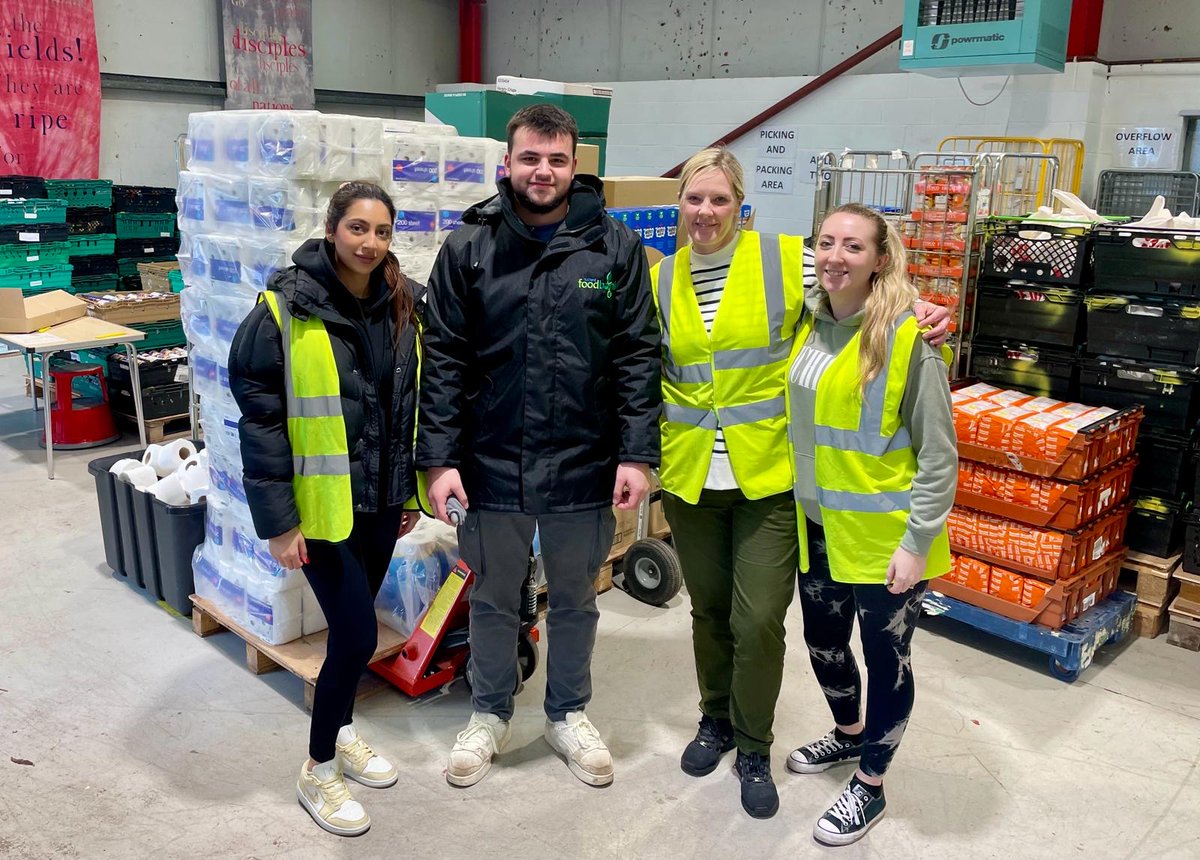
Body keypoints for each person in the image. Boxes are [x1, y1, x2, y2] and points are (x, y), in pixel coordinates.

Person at [649, 149, 950, 820]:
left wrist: (927, 309)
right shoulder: (660, 277)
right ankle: (715, 720)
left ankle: (754, 744)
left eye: (719, 199)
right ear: (680, 204)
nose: (705, 211)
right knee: (707, 614)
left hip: (770, 476)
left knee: (757, 620)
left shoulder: (792, 259)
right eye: (694, 199)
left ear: (740, 204)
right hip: (693, 474)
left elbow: (866, 287)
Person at [417, 104, 661, 789]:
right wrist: (438, 460)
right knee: (494, 595)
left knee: (578, 596)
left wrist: (637, 455)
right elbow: (444, 359)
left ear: (575, 166)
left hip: (583, 461)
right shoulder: (469, 247)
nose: (543, 171)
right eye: (530, 158)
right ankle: (489, 712)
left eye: (556, 159)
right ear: (508, 165)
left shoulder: (611, 247)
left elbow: (639, 355)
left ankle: (567, 712)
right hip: (488, 461)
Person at [229, 181, 424, 837]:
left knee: (350, 633)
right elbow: (261, 423)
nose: (370, 243)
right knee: (361, 636)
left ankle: (339, 733)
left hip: (380, 502)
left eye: (382, 232)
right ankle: (317, 768)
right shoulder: (284, 311)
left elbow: (408, 407)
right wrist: (279, 520)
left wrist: (408, 492)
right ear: (332, 228)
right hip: (320, 509)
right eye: (358, 228)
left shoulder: (405, 305)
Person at [784, 203, 956, 846]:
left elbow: (941, 454)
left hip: (886, 541)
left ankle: (873, 784)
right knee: (825, 647)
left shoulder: (910, 339)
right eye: (826, 243)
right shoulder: (809, 320)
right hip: (819, 528)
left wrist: (917, 544)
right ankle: (849, 736)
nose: (836, 257)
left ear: (880, 258)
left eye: (853, 247)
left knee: (887, 663)